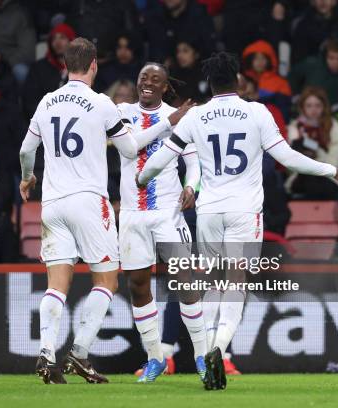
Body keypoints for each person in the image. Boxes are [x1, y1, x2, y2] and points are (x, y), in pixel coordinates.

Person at [136, 52, 338, 390]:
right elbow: (286, 157)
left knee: (209, 284)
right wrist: (331, 170)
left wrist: (142, 177)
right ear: (237, 79)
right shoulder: (257, 112)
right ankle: (219, 351)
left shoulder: (196, 116)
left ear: (210, 82)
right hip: (244, 211)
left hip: (208, 211)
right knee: (236, 283)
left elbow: (162, 159)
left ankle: (207, 350)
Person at [19, 38, 139, 384]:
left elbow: (27, 149)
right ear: (94, 65)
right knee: (107, 279)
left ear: (64, 65)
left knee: (57, 284)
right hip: (88, 199)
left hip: (53, 202)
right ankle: (79, 353)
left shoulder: (47, 101)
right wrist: (127, 128)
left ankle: (45, 352)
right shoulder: (102, 103)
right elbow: (129, 151)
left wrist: (28, 179)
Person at [116, 62, 210, 383]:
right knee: (138, 285)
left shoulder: (180, 117)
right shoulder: (122, 112)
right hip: (131, 213)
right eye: (144, 77)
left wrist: (191, 186)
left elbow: (194, 163)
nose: (148, 83)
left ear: (165, 86)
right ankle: (155, 358)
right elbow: (131, 146)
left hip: (168, 212)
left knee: (185, 282)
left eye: (156, 80)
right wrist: (169, 121)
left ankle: (201, 354)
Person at [286, 86, 338, 199]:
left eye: (317, 105)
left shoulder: (335, 128)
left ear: (324, 107)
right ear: (302, 107)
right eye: (309, 105)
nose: (313, 110)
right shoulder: (295, 127)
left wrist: (314, 149)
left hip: (328, 178)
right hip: (299, 179)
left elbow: (334, 163)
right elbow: (289, 166)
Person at [289, 38, 338, 123]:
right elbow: (292, 76)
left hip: (332, 118)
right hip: (305, 113)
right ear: (325, 57)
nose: (335, 63)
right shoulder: (312, 65)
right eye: (331, 58)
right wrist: (296, 95)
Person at [23, 23, 75, 118]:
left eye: (62, 38)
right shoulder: (38, 69)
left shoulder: (81, 68)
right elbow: (30, 101)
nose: (57, 42)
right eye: (54, 39)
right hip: (45, 122)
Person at [143, 0, 215, 65]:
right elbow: (155, 51)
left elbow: (209, 51)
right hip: (165, 73)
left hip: (198, 72)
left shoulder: (199, 15)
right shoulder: (155, 16)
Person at [241, 39, 292, 120]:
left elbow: (285, 110)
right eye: (256, 58)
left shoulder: (281, 82)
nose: (260, 62)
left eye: (263, 58)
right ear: (250, 60)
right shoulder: (243, 81)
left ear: (269, 60)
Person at [171, 39, 209, 104]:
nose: (179, 55)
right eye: (178, 51)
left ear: (196, 54)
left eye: (185, 51)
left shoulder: (207, 74)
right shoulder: (174, 75)